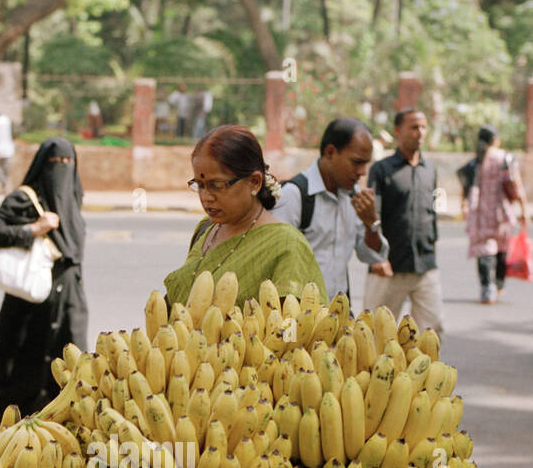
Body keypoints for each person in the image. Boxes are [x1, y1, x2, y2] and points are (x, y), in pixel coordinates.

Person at [0, 137, 87, 416]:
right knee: (18, 371)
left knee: (67, 376)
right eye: (55, 163)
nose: (61, 170)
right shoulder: (24, 198)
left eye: (67, 163)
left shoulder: (74, 200)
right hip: (27, 301)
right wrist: (35, 228)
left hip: (68, 301)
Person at [164, 124, 325, 307]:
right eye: (200, 185)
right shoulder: (206, 229)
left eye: (217, 185)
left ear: (255, 182)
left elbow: (289, 328)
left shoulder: (286, 245)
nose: (206, 197)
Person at [276, 116, 387, 300]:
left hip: (339, 314)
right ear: (330, 152)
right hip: (299, 317)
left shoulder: (354, 196)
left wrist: (371, 223)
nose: (362, 172)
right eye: (357, 162)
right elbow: (273, 260)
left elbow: (372, 256)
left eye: (366, 164)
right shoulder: (294, 195)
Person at [365, 108, 444, 333]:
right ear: (397, 131)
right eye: (414, 127)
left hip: (425, 266)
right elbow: (372, 215)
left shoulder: (430, 169)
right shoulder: (381, 170)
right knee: (376, 335)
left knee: (433, 331)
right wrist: (376, 258)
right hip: (389, 266)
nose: (420, 132)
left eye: (423, 127)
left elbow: (432, 214)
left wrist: (433, 243)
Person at [464, 126, 528, 304]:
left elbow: (466, 185)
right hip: (502, 213)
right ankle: (498, 285)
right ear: (496, 139)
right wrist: (524, 210)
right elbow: (515, 185)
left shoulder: (476, 160)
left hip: (480, 213)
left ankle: (487, 288)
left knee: (484, 250)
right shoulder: (505, 158)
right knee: (502, 249)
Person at [0, 111, 14, 190]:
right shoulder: (7, 121)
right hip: (8, 149)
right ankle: (4, 186)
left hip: (1, 150)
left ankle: (4, 183)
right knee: (5, 169)